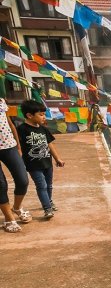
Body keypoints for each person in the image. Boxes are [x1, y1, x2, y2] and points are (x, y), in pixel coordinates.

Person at [17, 100, 64, 219]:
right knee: (41, 185)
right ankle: (47, 208)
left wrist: (57, 158)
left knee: (49, 185)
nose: (44, 117)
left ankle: (49, 201)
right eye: (41, 114)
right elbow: (18, 147)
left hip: (47, 163)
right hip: (33, 165)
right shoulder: (22, 130)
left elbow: (50, 144)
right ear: (29, 115)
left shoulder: (43, 129)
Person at [0, 96, 31, 232]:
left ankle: (16, 207)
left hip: (9, 146)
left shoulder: (1, 102)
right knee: (0, 184)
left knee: (22, 180)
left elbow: (9, 123)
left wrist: (18, 146)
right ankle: (9, 219)